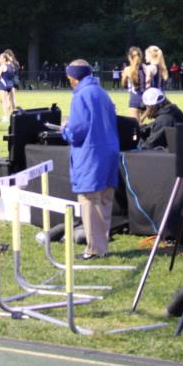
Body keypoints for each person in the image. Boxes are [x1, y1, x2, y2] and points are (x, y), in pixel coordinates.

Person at [61, 59, 120, 260]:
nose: (68, 80)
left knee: (90, 201)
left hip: (91, 154)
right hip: (109, 152)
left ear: (75, 77)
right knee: (104, 201)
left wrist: (64, 129)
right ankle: (101, 246)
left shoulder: (81, 96)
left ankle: (94, 249)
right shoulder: (102, 92)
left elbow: (77, 132)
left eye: (69, 76)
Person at [121, 46, 146, 120]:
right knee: (142, 124)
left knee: (135, 124)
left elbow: (124, 84)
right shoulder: (146, 68)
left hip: (134, 98)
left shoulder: (127, 69)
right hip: (146, 99)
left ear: (129, 57)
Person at [0, 51, 18, 123]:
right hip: (11, 85)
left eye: (0, 58)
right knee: (12, 102)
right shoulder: (11, 66)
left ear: (4, 59)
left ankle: (6, 117)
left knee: (4, 102)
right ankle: (15, 116)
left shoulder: (2, 66)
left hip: (3, 85)